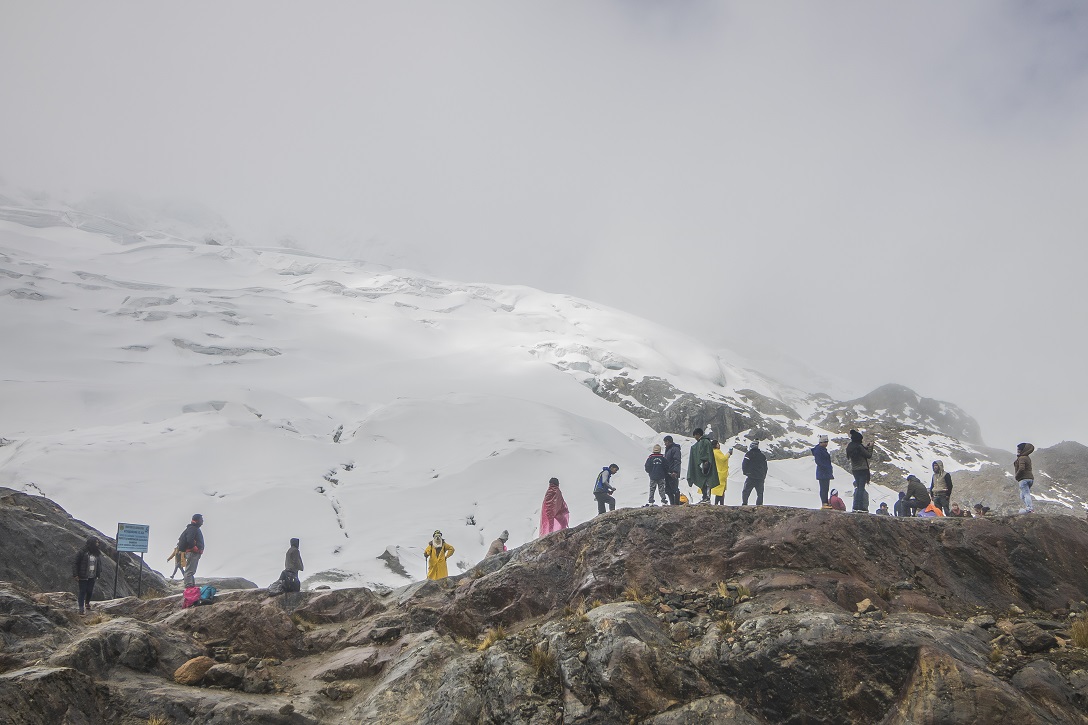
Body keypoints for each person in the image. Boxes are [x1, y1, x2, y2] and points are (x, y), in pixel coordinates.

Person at [845, 429, 873, 512]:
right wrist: (870, 447)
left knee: (858, 487)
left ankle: (855, 506)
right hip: (862, 469)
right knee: (861, 488)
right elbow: (868, 455)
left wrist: (865, 447)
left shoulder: (850, 447)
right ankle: (860, 506)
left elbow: (861, 451)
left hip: (855, 470)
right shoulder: (859, 446)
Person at [72, 538, 102, 615]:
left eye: (98, 543)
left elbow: (99, 564)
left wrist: (98, 573)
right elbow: (75, 563)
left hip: (92, 576)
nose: (97, 544)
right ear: (92, 543)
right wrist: (75, 574)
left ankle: (87, 603)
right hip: (83, 575)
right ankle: (81, 608)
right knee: (82, 591)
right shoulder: (82, 552)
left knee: (89, 591)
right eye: (96, 542)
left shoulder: (96, 553)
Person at [686, 428, 716, 503]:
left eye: (695, 435)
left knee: (707, 482)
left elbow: (707, 453)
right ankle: (704, 497)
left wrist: (706, 461)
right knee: (703, 482)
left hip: (706, 465)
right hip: (702, 465)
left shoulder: (705, 442)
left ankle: (707, 498)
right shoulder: (700, 443)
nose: (695, 437)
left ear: (698, 434)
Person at [177, 513, 205, 588]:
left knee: (191, 570)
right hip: (192, 553)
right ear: (197, 520)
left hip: (193, 552)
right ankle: (189, 586)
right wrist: (194, 548)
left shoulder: (193, 528)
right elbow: (189, 539)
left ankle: (191, 586)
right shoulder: (193, 528)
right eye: (201, 520)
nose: (202, 521)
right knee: (189, 570)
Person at [741, 441, 768, 506]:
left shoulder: (749, 454)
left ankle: (744, 504)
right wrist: (763, 475)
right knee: (760, 493)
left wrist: (745, 472)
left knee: (746, 491)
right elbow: (765, 467)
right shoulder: (762, 456)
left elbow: (744, 464)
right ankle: (759, 506)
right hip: (760, 477)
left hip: (751, 476)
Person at [812, 434, 834, 509]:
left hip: (824, 472)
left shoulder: (821, 449)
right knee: (824, 488)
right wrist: (826, 467)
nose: (826, 443)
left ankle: (825, 502)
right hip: (823, 472)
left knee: (825, 488)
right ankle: (824, 503)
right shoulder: (819, 450)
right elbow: (818, 461)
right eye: (825, 442)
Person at [1014, 443, 1035, 514]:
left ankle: (1030, 508)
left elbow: (1021, 468)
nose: (1017, 450)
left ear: (1022, 450)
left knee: (1026, 494)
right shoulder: (1027, 458)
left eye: (1019, 449)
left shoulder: (1022, 458)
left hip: (1023, 479)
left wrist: (1017, 476)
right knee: (1022, 495)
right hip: (1030, 478)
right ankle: (1028, 508)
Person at [663, 435, 683, 506]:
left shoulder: (675, 449)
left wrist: (675, 471)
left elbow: (677, 460)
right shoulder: (668, 449)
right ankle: (672, 503)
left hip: (673, 472)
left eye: (665, 442)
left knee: (674, 488)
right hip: (668, 472)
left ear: (668, 441)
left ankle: (676, 504)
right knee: (668, 489)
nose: (665, 444)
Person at [711, 440, 730, 505]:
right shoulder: (717, 452)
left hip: (718, 472)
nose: (719, 445)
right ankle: (720, 504)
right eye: (718, 444)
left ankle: (718, 504)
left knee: (720, 491)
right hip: (720, 473)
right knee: (721, 490)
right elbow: (723, 459)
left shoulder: (713, 452)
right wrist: (728, 453)